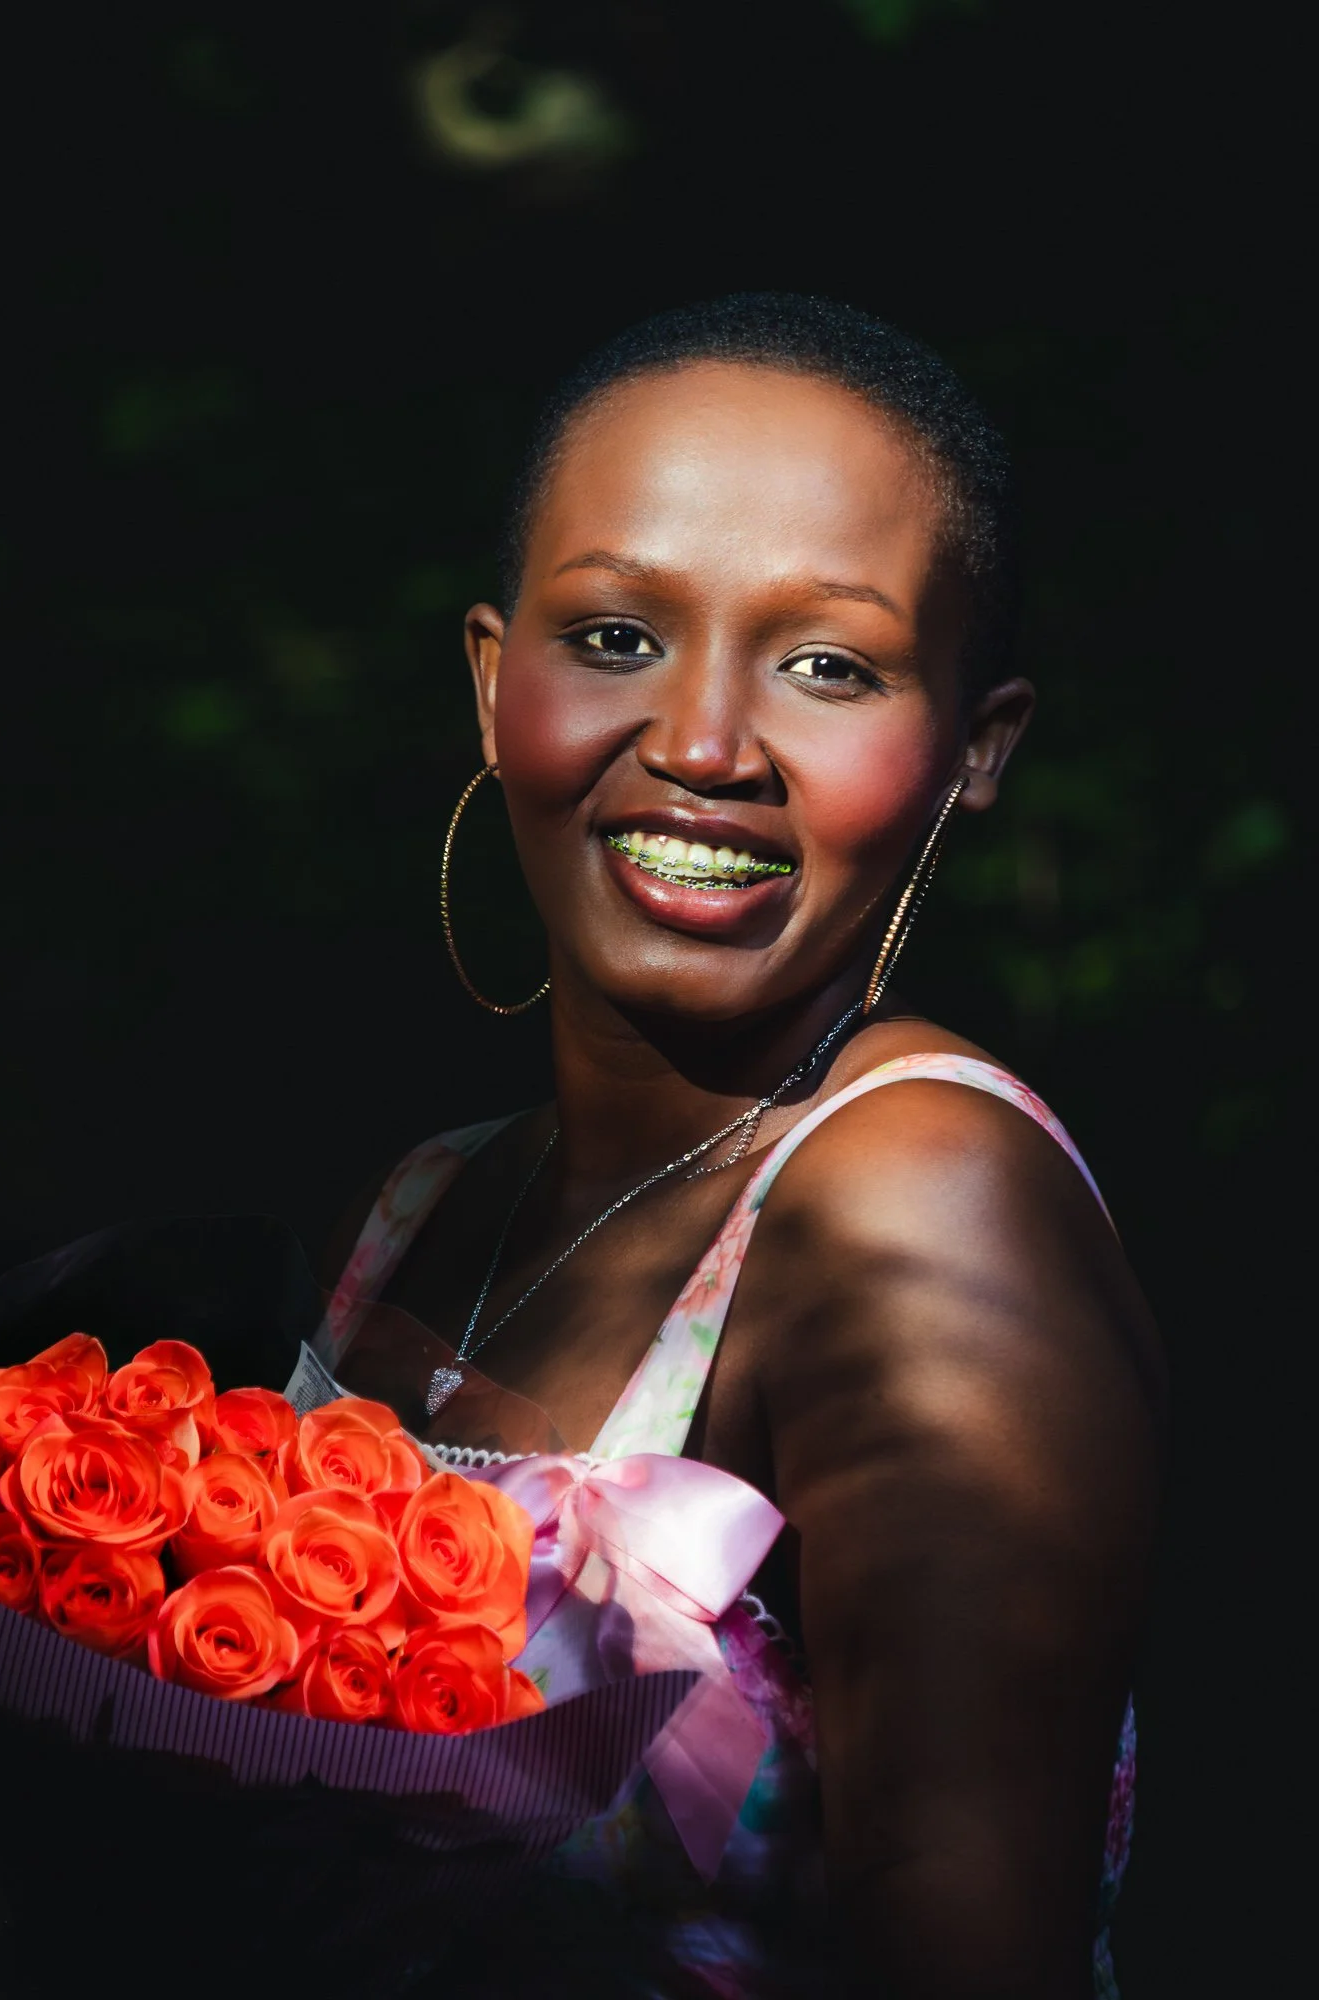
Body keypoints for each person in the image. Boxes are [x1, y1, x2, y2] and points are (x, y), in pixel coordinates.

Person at [318, 295, 1162, 1999]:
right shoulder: (431, 1199)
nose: (703, 745)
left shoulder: (917, 1209)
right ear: (494, 684)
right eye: (617, 636)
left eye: (828, 664)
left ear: (972, 751)